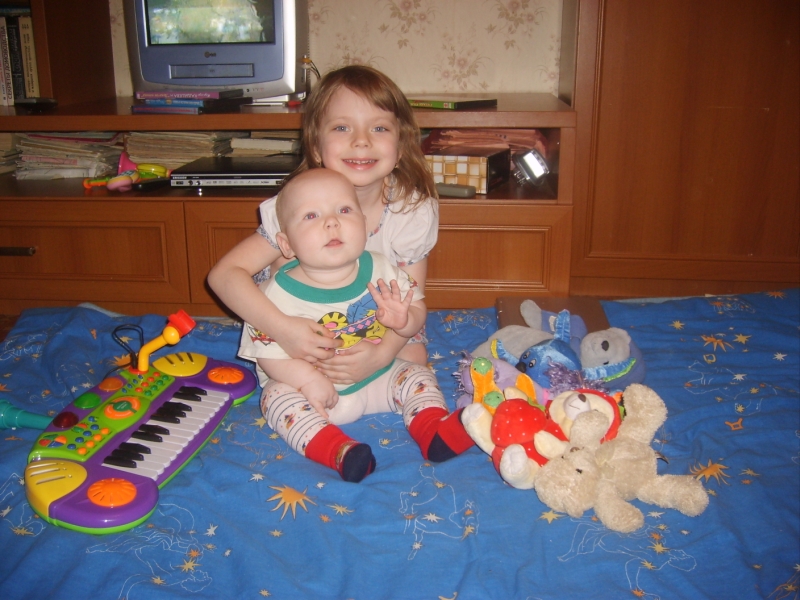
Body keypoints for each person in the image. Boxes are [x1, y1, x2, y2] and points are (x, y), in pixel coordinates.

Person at [207, 65, 437, 390]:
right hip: (301, 315)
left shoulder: (410, 211)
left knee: (413, 356)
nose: (361, 141)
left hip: (374, 318)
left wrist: (381, 356)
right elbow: (224, 275)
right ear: (316, 147)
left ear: (400, 148)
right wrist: (284, 329)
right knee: (284, 263)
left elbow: (412, 300)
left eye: (379, 128)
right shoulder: (296, 206)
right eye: (342, 127)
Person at [238, 169, 473, 482]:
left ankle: (432, 430)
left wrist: (404, 321)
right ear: (286, 243)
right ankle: (338, 451)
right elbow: (267, 355)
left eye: (344, 210)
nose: (332, 222)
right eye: (311, 215)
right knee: (276, 398)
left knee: (416, 375)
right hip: (311, 395)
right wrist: (309, 381)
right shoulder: (272, 294)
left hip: (376, 376)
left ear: (364, 224)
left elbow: (417, 307)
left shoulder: (381, 267)